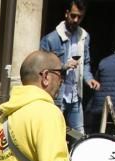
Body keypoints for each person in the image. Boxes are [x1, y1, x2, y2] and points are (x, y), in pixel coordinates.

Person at [39, 0, 100, 133]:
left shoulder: (84, 37)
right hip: (57, 94)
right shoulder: (51, 39)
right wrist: (64, 66)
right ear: (66, 13)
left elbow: (86, 62)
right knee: (53, 131)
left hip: (75, 94)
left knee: (79, 133)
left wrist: (89, 79)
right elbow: (42, 66)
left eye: (80, 17)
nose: (76, 19)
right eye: (73, 15)